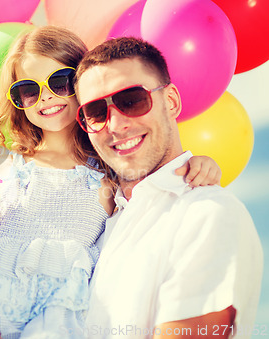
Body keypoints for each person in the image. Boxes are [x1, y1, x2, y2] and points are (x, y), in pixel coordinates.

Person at [0, 26, 221, 339]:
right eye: (28, 90)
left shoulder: (111, 167)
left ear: (82, 83)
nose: (46, 98)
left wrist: (198, 163)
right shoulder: (3, 164)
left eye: (60, 81)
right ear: (17, 101)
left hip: (55, 307)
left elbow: (157, 180)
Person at [74, 37, 263, 338]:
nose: (115, 124)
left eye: (132, 100)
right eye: (96, 112)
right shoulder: (94, 224)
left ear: (171, 101)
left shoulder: (208, 215)